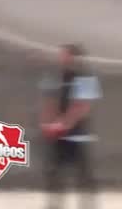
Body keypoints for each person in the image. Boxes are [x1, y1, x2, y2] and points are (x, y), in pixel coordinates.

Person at [39, 43, 100, 207]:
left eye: (65, 55)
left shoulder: (86, 76)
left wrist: (63, 124)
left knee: (82, 173)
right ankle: (54, 205)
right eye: (62, 55)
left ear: (74, 57)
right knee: (54, 171)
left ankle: (88, 205)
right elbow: (49, 101)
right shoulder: (56, 76)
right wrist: (48, 124)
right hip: (57, 133)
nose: (61, 58)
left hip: (77, 132)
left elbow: (83, 106)